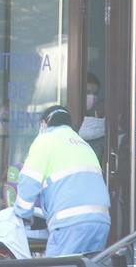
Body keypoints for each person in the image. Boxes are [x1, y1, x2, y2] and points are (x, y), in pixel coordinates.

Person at [14, 105, 110, 257]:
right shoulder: (83, 144)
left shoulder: (45, 140)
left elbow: (29, 181)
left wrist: (21, 216)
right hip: (100, 221)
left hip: (70, 223)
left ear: (44, 123)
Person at [78, 73, 106, 165]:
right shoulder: (71, 116)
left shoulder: (99, 117)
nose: (92, 97)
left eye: (95, 94)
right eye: (88, 92)